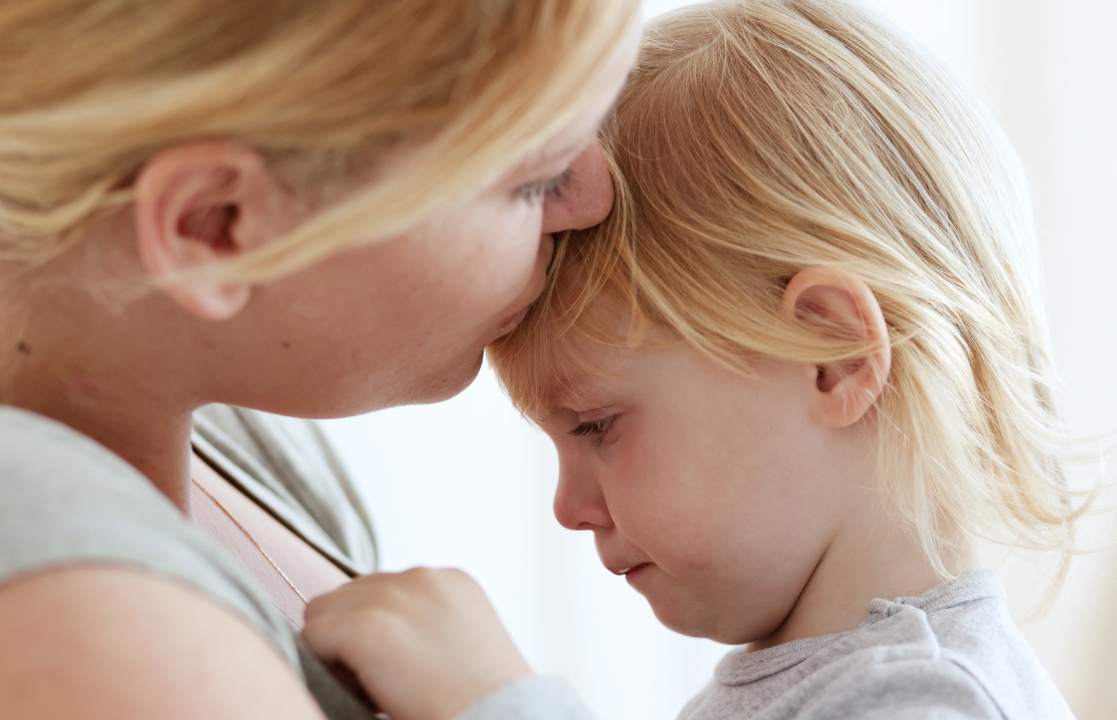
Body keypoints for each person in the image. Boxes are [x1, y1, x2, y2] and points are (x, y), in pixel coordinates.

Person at [300, 1, 1117, 718]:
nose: (567, 506)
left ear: (836, 355)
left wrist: (503, 706)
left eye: (597, 424)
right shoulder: (829, 679)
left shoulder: (923, 699)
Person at [0, 0, 641, 717]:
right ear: (213, 225)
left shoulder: (239, 442)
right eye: (533, 180)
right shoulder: (89, 629)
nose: (596, 199)